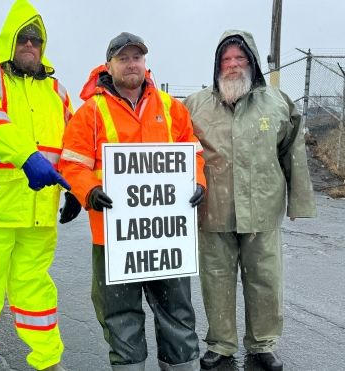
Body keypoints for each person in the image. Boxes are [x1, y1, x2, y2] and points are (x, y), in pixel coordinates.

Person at [59, 32, 207, 371]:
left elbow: (193, 152)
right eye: (123, 58)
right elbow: (71, 164)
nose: (131, 64)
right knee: (120, 316)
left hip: (166, 236)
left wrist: (197, 181)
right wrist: (89, 191)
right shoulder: (90, 113)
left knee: (177, 312)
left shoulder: (172, 108)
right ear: (109, 65)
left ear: (145, 63)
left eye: (137, 57)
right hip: (114, 238)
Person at [0, 1, 80, 370]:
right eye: (23, 38)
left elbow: (72, 145)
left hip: (38, 215)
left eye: (36, 40)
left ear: (44, 46)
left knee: (35, 292)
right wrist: (28, 157)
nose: (29, 45)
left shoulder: (57, 92)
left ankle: (49, 361)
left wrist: (75, 187)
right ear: (9, 41)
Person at [183, 30, 317, 371]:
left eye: (239, 58)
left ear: (252, 62)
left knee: (265, 279)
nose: (232, 65)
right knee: (216, 279)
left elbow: (293, 153)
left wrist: (298, 203)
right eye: (226, 59)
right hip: (212, 209)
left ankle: (262, 345)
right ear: (217, 65)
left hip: (262, 210)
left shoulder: (278, 103)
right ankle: (221, 344)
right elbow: (174, 150)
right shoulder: (194, 105)